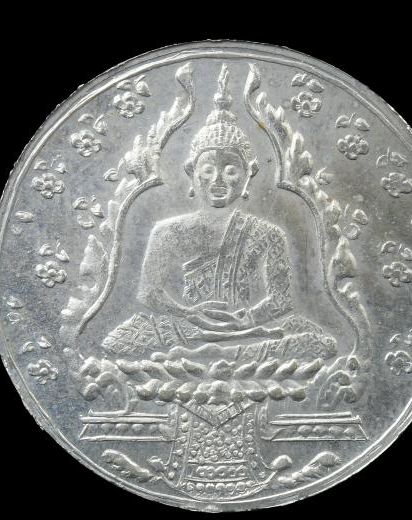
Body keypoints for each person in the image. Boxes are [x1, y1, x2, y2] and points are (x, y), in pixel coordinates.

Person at [102, 65, 336, 365]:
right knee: (120, 340)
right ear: (192, 172)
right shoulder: (166, 231)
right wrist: (189, 313)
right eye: (208, 169)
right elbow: (148, 294)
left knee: (315, 341)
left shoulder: (268, 233)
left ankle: (209, 356)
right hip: (187, 326)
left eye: (230, 170)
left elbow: (281, 300)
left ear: (249, 174)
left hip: (248, 329)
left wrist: (246, 319)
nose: (218, 180)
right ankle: (220, 354)